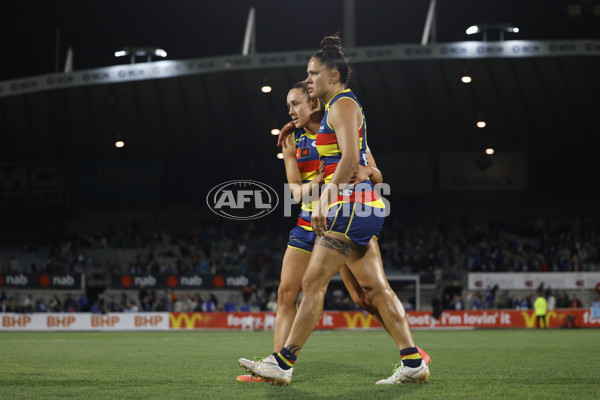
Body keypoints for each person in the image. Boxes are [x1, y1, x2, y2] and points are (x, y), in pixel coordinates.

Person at [239, 35, 429, 386]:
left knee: (313, 282)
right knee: (372, 290)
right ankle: (414, 361)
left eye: (312, 74)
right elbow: (351, 161)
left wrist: (325, 202)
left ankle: (282, 363)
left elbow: (350, 160)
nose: (308, 80)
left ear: (333, 77)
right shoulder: (331, 112)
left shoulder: (341, 106)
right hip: (361, 205)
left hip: (351, 207)